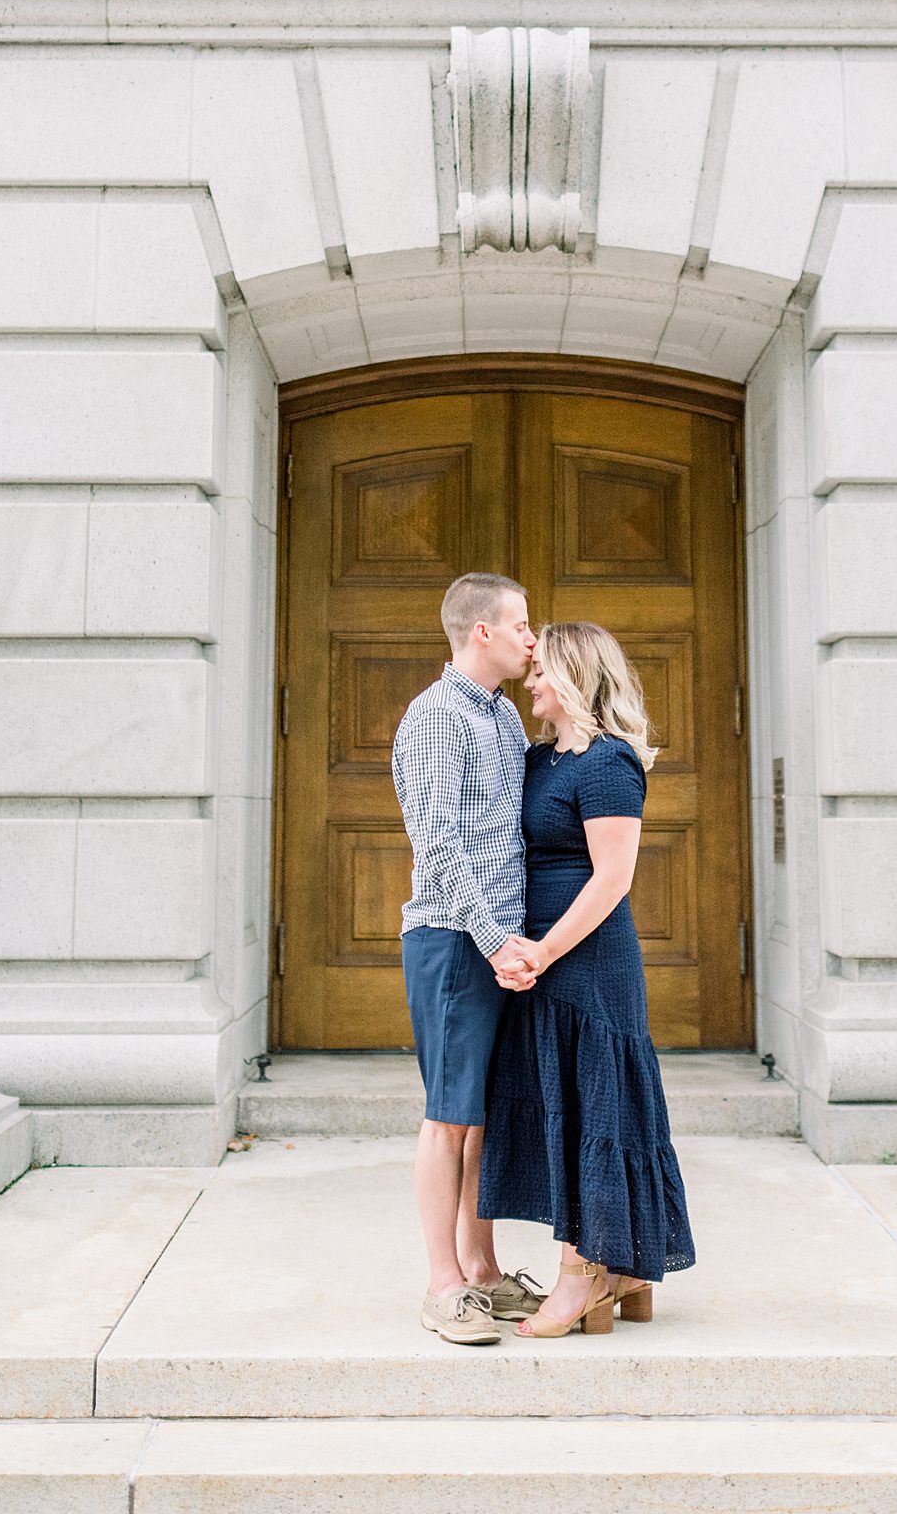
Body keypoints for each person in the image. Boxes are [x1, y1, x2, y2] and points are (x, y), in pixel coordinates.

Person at [478, 620, 695, 1338]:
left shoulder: (609, 764)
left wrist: (542, 951)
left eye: (541, 671)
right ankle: (625, 1273)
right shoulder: (542, 762)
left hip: (589, 963)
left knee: (591, 1105)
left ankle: (581, 1275)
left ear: (573, 677)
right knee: (564, 1104)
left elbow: (611, 881)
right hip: (540, 963)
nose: (529, 680)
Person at [390, 570, 549, 1346]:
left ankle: (483, 1272)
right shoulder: (434, 718)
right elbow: (439, 847)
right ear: (480, 631)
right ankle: (442, 1285)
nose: (532, 638)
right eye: (521, 625)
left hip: (504, 948)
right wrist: (493, 944)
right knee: (448, 1118)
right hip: (454, 943)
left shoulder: (507, 720)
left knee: (484, 1121)